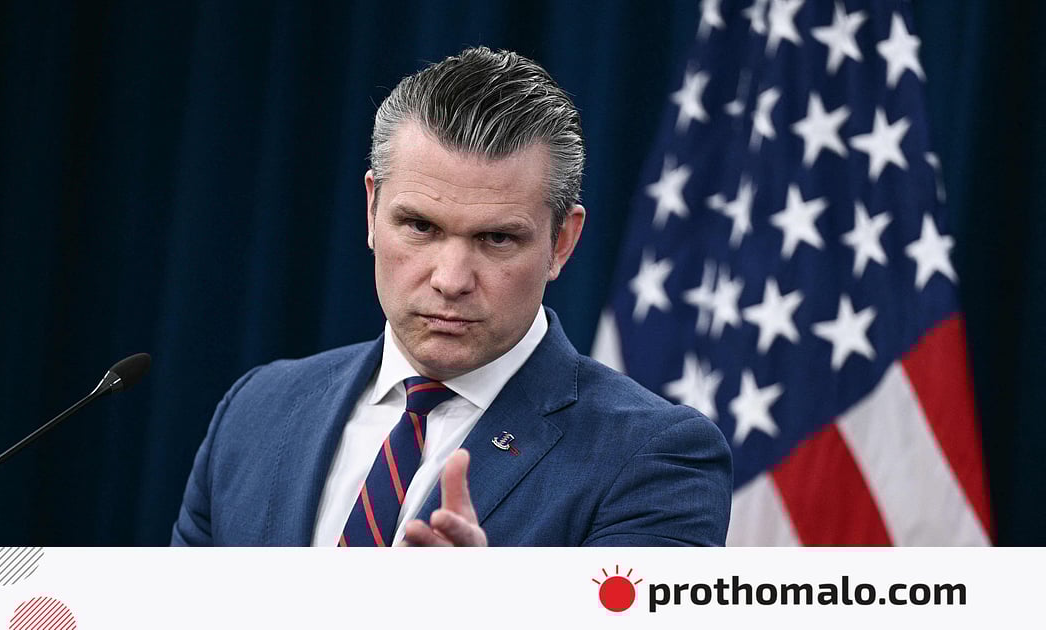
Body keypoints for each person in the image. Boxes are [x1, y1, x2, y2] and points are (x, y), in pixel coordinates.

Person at [171, 47, 732, 547]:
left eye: (497, 239)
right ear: (372, 209)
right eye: (420, 226)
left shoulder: (656, 457)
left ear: (561, 242)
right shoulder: (257, 409)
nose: (451, 279)